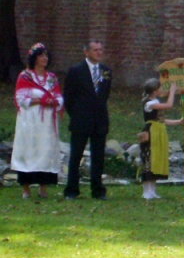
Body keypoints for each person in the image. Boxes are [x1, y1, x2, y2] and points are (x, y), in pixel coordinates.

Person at [10, 43, 63, 199]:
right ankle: (26, 188)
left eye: (46, 55)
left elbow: (58, 96)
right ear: (34, 58)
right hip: (30, 120)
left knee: (45, 150)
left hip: (47, 122)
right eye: (41, 56)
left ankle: (43, 188)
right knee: (28, 149)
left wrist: (53, 101)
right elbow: (20, 98)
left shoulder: (51, 78)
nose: (44, 58)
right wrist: (40, 100)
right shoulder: (25, 76)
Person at [63, 40, 112, 200]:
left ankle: (98, 190)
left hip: (99, 120)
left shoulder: (106, 71)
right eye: (95, 50)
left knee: (98, 157)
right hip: (81, 120)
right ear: (86, 52)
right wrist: (76, 114)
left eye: (100, 49)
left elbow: (104, 95)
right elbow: (68, 97)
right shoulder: (76, 70)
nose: (99, 52)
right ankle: (72, 190)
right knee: (76, 156)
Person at [139, 79, 182, 200]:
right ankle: (146, 191)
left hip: (159, 131)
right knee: (149, 158)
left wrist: (179, 121)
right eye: (160, 88)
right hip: (151, 132)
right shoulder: (149, 103)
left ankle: (152, 191)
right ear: (154, 90)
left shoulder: (155, 101)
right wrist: (172, 92)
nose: (162, 89)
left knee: (156, 159)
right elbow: (169, 105)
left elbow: (162, 120)